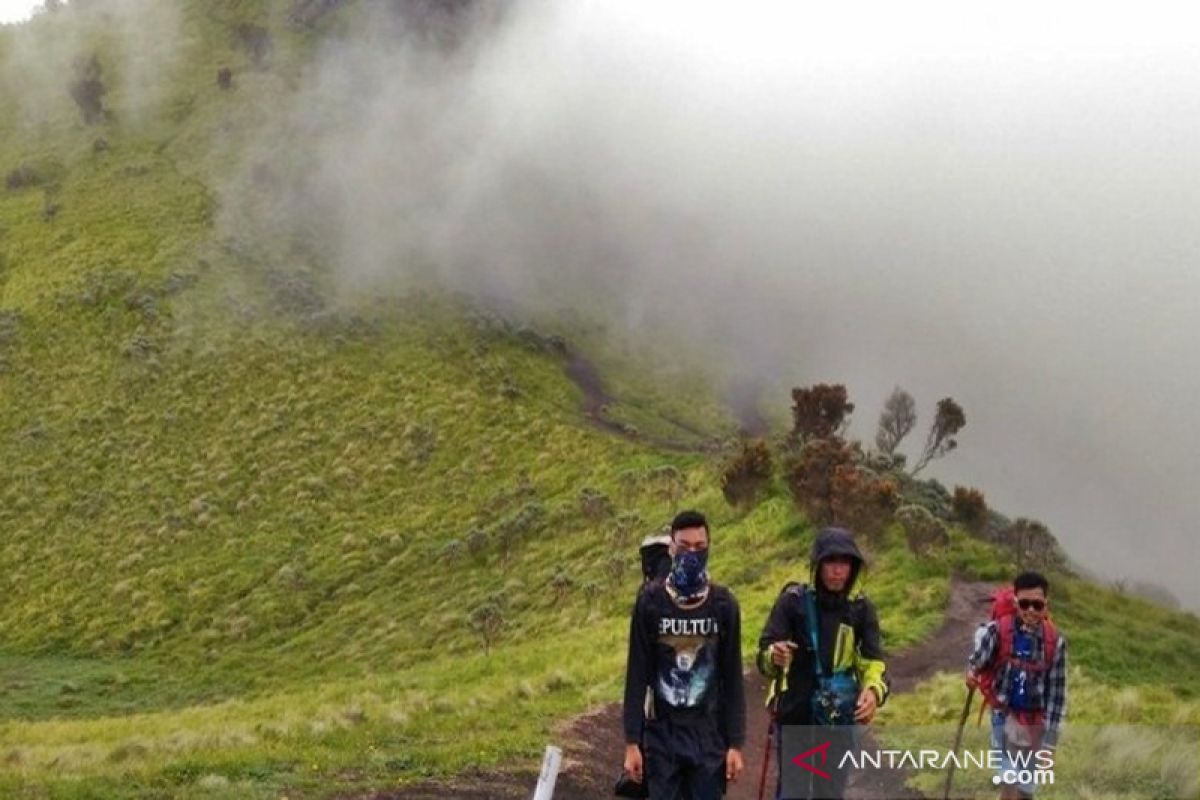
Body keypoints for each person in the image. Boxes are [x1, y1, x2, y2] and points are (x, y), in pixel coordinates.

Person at [756, 526, 889, 800]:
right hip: (795, 714)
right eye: (830, 561)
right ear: (818, 565)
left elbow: (873, 661)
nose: (838, 570)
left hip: (837, 719)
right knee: (793, 791)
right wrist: (775, 655)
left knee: (829, 792)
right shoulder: (792, 602)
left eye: (844, 562)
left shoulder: (861, 609)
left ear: (853, 567)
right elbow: (765, 655)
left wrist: (873, 692)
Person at [622, 510, 746, 799]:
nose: (692, 553)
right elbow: (636, 674)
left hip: (708, 734)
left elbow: (732, 676)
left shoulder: (724, 604)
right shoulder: (650, 602)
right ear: (672, 548)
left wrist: (736, 744)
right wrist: (631, 742)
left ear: (709, 548)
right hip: (662, 733)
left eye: (700, 547)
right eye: (685, 546)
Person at [966, 571, 1067, 800]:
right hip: (1003, 716)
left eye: (1037, 604)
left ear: (1045, 604)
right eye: (1025, 603)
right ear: (1015, 602)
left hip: (1035, 723)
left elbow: (1057, 697)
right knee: (1009, 780)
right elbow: (978, 661)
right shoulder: (998, 630)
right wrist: (971, 672)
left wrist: (1050, 744)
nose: (1031, 610)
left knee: (1026, 788)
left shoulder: (1055, 642)